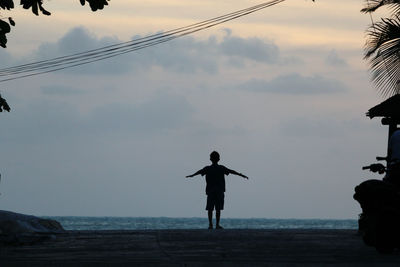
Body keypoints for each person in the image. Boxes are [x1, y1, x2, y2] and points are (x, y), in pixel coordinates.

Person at [186, 151, 248, 229]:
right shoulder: (220, 168)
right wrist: (240, 175)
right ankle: (217, 224)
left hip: (211, 191)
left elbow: (199, 172)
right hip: (219, 191)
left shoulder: (208, 168)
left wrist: (192, 175)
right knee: (218, 209)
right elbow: (231, 171)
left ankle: (211, 224)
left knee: (210, 209)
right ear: (219, 159)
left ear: (210, 159)